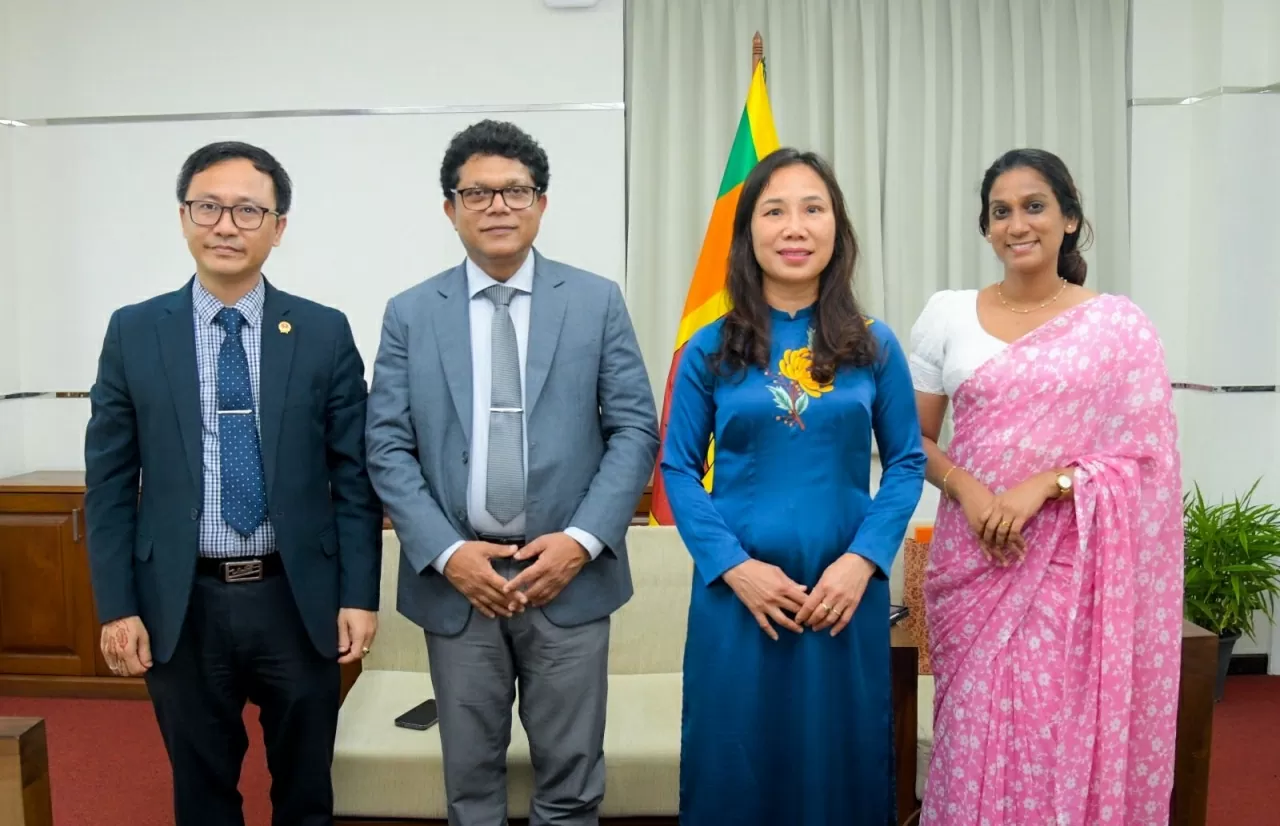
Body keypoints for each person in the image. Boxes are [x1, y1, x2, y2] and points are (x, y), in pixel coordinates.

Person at [365, 119, 659, 826]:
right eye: (477, 193)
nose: (497, 206)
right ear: (451, 209)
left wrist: (580, 542)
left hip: (567, 579)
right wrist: (447, 553)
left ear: (541, 204)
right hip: (458, 584)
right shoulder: (410, 313)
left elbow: (634, 429)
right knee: (470, 789)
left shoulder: (596, 301)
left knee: (571, 784)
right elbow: (387, 446)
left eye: (515, 191)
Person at [83, 141, 383, 826]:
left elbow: (354, 477)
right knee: (202, 792)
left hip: (295, 597)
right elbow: (109, 484)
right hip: (180, 601)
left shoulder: (322, 331)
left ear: (278, 228)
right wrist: (116, 606)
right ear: (183, 218)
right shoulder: (134, 332)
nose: (226, 225)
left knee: (306, 792)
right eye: (208, 207)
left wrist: (358, 595)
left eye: (248, 210)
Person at [908, 148, 1183, 825]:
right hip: (973, 561)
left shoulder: (1117, 327)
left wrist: (1049, 484)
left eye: (1035, 206)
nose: (1017, 224)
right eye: (1000, 212)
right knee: (971, 737)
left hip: (1073, 571)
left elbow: (1146, 460)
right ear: (986, 228)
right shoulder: (947, 315)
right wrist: (969, 490)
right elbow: (911, 440)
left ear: (1070, 220)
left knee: (1055, 740)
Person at [660, 147, 927, 826]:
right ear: (748, 231)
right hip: (737, 596)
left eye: (813, 209)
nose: (795, 227)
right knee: (735, 767)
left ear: (837, 227)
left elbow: (905, 463)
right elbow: (677, 469)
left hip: (842, 597)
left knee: (838, 769)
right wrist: (735, 568)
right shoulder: (710, 347)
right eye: (774, 211)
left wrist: (862, 562)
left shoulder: (874, 345)